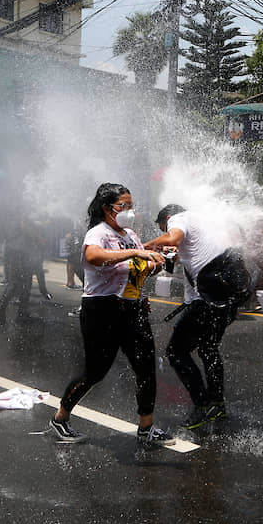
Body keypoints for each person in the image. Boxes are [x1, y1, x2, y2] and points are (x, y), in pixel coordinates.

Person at [50, 183, 174, 446]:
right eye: (123, 206)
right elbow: (95, 258)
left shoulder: (130, 234)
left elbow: (138, 269)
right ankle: (60, 419)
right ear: (107, 209)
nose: (129, 211)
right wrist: (135, 251)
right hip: (101, 309)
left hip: (133, 307)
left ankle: (146, 428)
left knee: (146, 368)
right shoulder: (97, 233)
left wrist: (156, 262)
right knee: (95, 372)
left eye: (131, 205)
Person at [144, 204, 250, 430]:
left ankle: (202, 405)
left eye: (162, 226)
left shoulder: (179, 219)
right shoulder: (206, 220)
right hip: (226, 299)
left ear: (168, 218)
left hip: (207, 302)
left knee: (176, 351)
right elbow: (177, 259)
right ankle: (217, 404)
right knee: (208, 348)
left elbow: (172, 239)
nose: (165, 230)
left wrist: (141, 248)